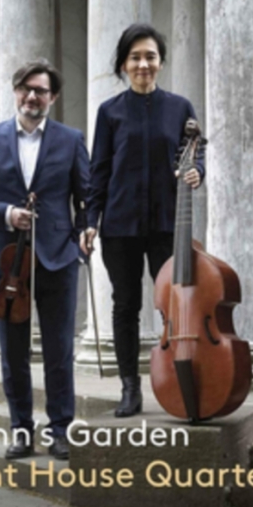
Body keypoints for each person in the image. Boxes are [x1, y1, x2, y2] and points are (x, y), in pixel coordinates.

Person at [0, 59, 89, 461]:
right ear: (16, 91)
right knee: (13, 353)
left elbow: (86, 197)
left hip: (58, 258)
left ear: (53, 97)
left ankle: (60, 431)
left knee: (59, 351)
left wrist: (83, 234)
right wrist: (5, 213)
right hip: (7, 263)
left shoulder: (71, 139)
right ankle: (21, 430)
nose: (32, 96)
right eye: (26, 88)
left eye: (41, 90)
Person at [82, 23, 206, 418]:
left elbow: (196, 152)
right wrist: (90, 220)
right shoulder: (109, 112)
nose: (143, 64)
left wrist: (197, 170)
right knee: (126, 306)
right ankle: (130, 387)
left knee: (174, 302)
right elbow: (99, 171)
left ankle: (177, 379)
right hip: (120, 225)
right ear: (123, 64)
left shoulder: (180, 108)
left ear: (161, 62)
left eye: (150, 56)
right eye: (135, 57)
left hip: (168, 223)